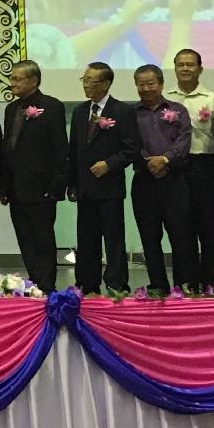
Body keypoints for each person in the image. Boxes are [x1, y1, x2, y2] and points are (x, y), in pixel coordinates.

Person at [67, 62, 139, 294]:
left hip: (109, 187)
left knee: (113, 238)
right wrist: (72, 183)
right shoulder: (79, 111)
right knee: (86, 239)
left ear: (106, 84)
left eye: (92, 81)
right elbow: (74, 150)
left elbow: (131, 149)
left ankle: (116, 284)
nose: (86, 85)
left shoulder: (122, 111)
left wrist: (109, 164)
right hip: (85, 187)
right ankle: (87, 284)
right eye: (84, 80)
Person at [0, 60, 68, 292]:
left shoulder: (52, 106)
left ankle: (47, 286)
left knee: (42, 238)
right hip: (16, 186)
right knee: (25, 238)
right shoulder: (11, 109)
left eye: (17, 79)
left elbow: (60, 149)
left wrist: (56, 187)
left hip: (42, 188)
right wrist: (3, 184)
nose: (12, 83)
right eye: (12, 79)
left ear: (34, 81)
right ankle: (33, 282)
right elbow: (8, 148)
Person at [131, 65, 194, 292]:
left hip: (174, 180)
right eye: (141, 84)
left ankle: (183, 284)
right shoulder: (131, 113)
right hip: (143, 181)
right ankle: (158, 284)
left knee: (181, 235)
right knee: (149, 237)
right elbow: (130, 144)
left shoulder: (178, 110)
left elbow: (184, 139)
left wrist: (166, 159)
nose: (146, 88)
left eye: (151, 83)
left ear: (161, 83)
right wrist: (149, 161)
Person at [166, 49, 214, 290]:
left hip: (204, 166)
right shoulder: (165, 98)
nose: (186, 68)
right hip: (176, 169)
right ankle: (185, 281)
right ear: (175, 68)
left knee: (208, 226)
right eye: (181, 64)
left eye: (191, 64)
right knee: (181, 227)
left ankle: (211, 281)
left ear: (200, 68)